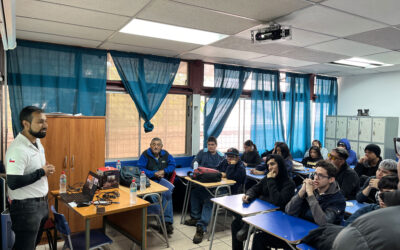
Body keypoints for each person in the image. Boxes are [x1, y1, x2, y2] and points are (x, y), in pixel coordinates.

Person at [6, 106, 55, 250]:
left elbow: (33, 169)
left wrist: (43, 169)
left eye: (45, 121)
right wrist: (41, 172)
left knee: (31, 245)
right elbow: (13, 182)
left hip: (40, 204)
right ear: (25, 124)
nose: (45, 125)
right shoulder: (17, 149)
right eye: (40, 122)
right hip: (26, 209)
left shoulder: (37, 142)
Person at [235, 155, 295, 250]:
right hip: (263, 212)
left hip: (276, 218)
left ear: (280, 165)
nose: (270, 167)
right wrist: (248, 195)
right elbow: (255, 188)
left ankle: (247, 227)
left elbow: (278, 202)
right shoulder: (267, 178)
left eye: (272, 164)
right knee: (235, 223)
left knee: (258, 237)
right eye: (268, 165)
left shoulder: (289, 183)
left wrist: (271, 180)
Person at [186, 148, 246, 244]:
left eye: (231, 156)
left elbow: (231, 177)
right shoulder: (224, 162)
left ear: (237, 157)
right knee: (196, 192)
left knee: (210, 199)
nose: (229, 158)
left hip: (229, 192)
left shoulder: (240, 167)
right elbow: (216, 171)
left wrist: (231, 167)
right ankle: (195, 217)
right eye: (228, 156)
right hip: (218, 187)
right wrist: (219, 173)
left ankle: (201, 226)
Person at [285, 160, 346, 226]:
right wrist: (302, 191)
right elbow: (289, 211)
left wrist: (310, 195)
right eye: (315, 174)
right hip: (301, 226)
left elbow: (324, 223)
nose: (316, 178)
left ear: (331, 179)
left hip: (322, 233)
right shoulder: (307, 187)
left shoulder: (338, 200)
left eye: (321, 175)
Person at [137, 137, 176, 234]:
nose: (156, 146)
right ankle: (161, 222)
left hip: (162, 181)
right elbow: (140, 168)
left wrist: (164, 171)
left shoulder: (166, 154)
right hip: (149, 182)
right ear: (150, 146)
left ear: (161, 147)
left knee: (167, 195)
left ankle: (167, 222)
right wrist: (153, 173)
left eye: (158, 145)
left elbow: (173, 165)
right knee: (155, 197)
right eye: (153, 144)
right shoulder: (145, 155)